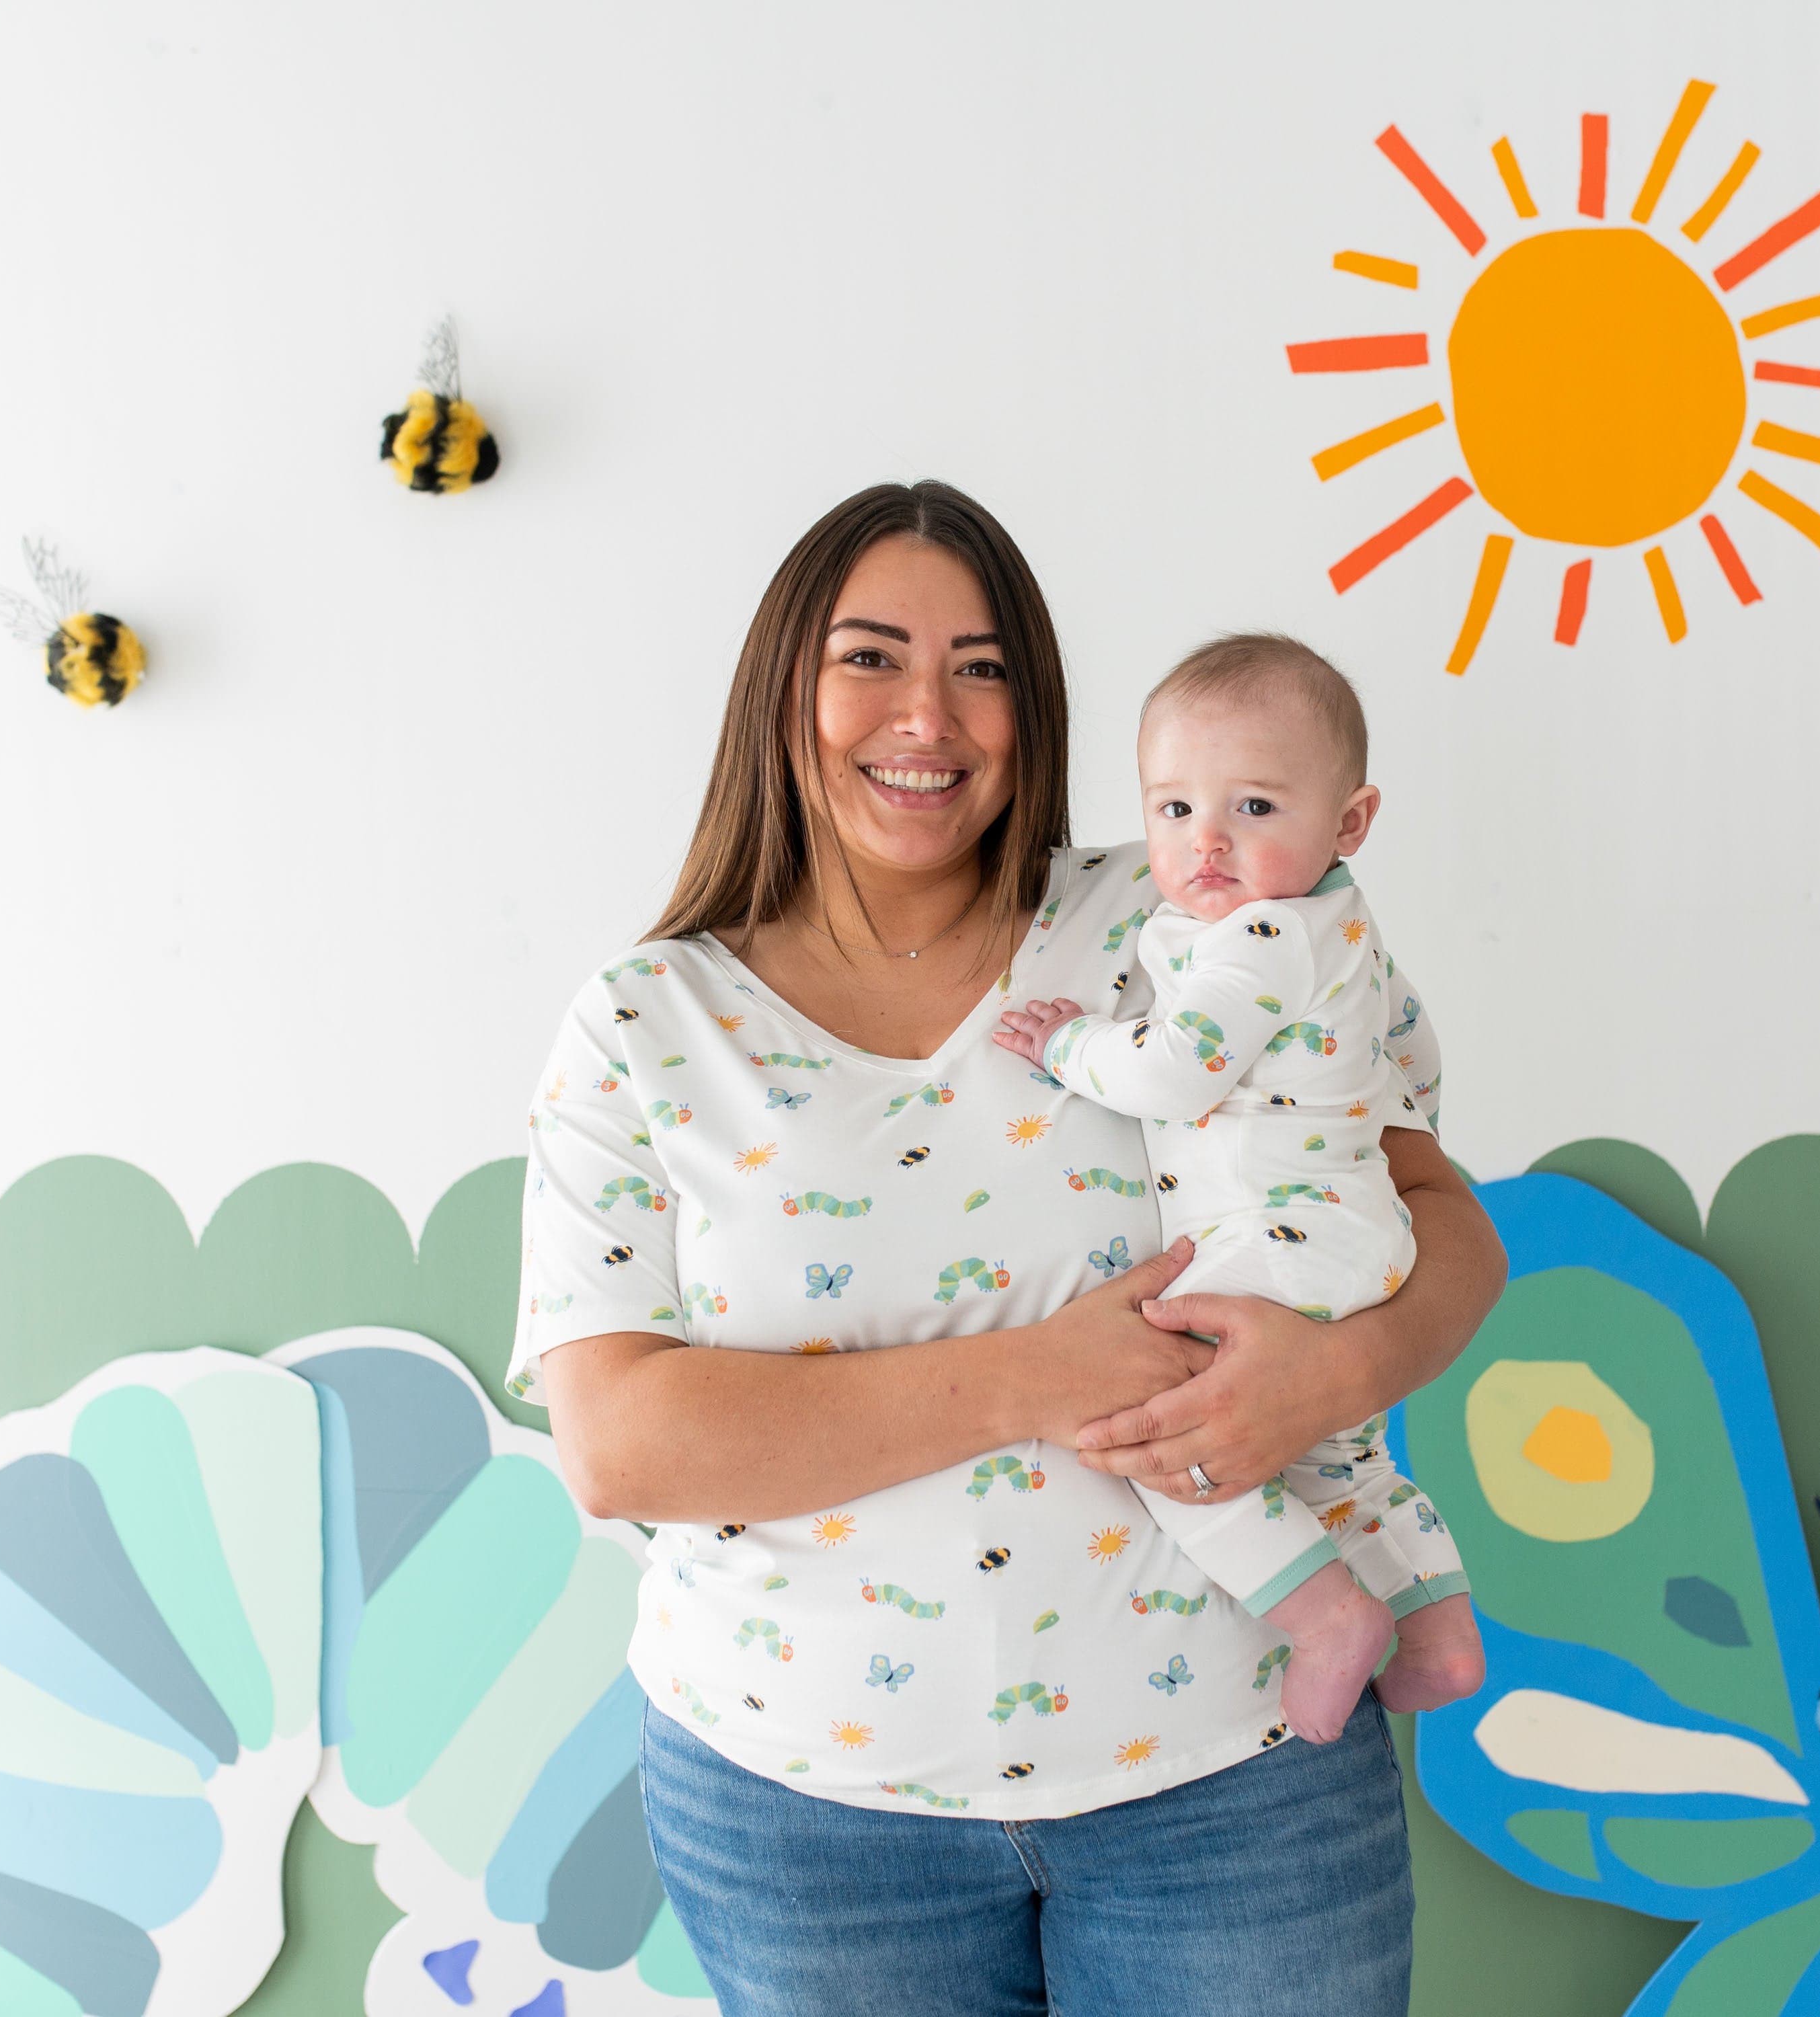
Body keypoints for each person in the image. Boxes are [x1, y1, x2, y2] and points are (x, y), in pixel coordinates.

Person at [507, 480, 1505, 2017]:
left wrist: (1335, 1374)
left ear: (1034, 707)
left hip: (1233, 1787)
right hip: (805, 1818)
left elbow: (1443, 1229)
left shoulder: (1197, 914)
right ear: (785, 686)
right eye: (871, 657)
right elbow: (624, 1446)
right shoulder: (648, 1021)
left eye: (982, 666)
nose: (930, 712)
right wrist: (1048, 1376)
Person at [994, 632, 1485, 1747]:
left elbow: (1173, 1069)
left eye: (1254, 808)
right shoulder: (1343, 927)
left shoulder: (1260, 936)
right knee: (1343, 1454)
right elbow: (1416, 1050)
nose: (1204, 841)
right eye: (1172, 809)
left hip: (1275, 1238)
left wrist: (1071, 1046)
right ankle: (1440, 1627)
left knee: (1174, 1444)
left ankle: (1323, 1619)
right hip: (1354, 1228)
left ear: (1349, 823)